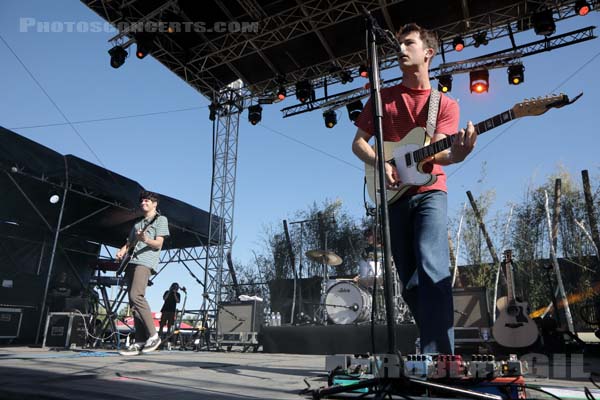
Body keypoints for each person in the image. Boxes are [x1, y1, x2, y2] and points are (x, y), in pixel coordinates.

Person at [351, 23, 476, 354]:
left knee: (432, 264)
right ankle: (432, 342)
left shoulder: (444, 105)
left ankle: (441, 358)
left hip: (430, 191)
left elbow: (439, 153)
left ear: (428, 53)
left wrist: (459, 153)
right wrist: (383, 163)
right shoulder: (382, 98)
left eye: (408, 43)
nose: (401, 49)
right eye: (398, 44)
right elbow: (359, 144)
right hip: (392, 195)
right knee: (408, 281)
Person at [116, 190, 170, 355]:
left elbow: (158, 244)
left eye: (147, 201)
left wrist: (145, 239)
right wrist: (122, 251)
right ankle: (140, 340)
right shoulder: (137, 225)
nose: (143, 203)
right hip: (132, 262)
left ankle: (153, 335)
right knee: (133, 304)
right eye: (142, 201)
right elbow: (130, 243)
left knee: (136, 296)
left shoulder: (160, 220)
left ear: (155, 204)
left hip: (145, 262)